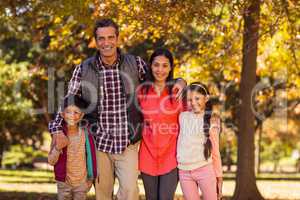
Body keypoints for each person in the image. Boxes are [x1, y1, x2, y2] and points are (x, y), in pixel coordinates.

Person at [49, 18, 186, 200]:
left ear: (117, 38)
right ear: (96, 41)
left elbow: (158, 80)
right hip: (99, 142)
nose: (106, 43)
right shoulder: (82, 69)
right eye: (101, 38)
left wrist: (180, 81)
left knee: (130, 192)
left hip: (127, 141)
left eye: (110, 37)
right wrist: (57, 129)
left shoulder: (135, 63)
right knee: (103, 194)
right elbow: (68, 102)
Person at [137, 48, 182, 200]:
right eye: (156, 65)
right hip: (147, 155)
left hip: (171, 155)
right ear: (150, 66)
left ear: (170, 68)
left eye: (165, 65)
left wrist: (212, 119)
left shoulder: (178, 92)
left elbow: (193, 115)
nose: (160, 70)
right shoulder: (141, 92)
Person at [177, 82, 223, 200]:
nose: (193, 102)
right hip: (184, 171)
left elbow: (216, 152)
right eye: (189, 99)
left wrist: (219, 177)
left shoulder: (212, 120)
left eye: (197, 98)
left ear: (206, 98)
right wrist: (180, 82)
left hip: (205, 170)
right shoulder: (182, 117)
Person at [48, 95, 97, 200]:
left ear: (82, 115)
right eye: (68, 112)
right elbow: (51, 161)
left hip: (82, 184)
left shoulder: (86, 133)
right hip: (64, 183)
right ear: (62, 114)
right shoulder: (59, 135)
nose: (72, 115)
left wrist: (90, 179)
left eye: (76, 112)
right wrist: (57, 148)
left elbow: (91, 156)